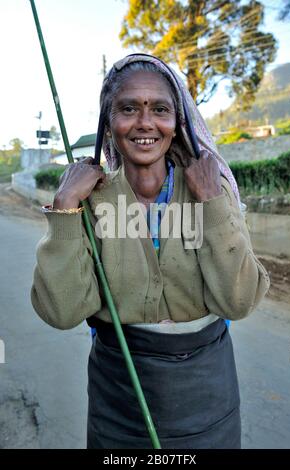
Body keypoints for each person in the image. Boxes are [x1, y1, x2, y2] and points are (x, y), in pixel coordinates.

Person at [31, 54, 270, 449]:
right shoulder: (89, 201)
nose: (145, 123)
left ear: (177, 123)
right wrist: (64, 207)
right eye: (128, 109)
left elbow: (240, 301)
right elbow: (62, 312)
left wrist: (211, 200)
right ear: (109, 122)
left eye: (160, 109)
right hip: (118, 401)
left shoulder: (211, 188)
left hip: (207, 401)